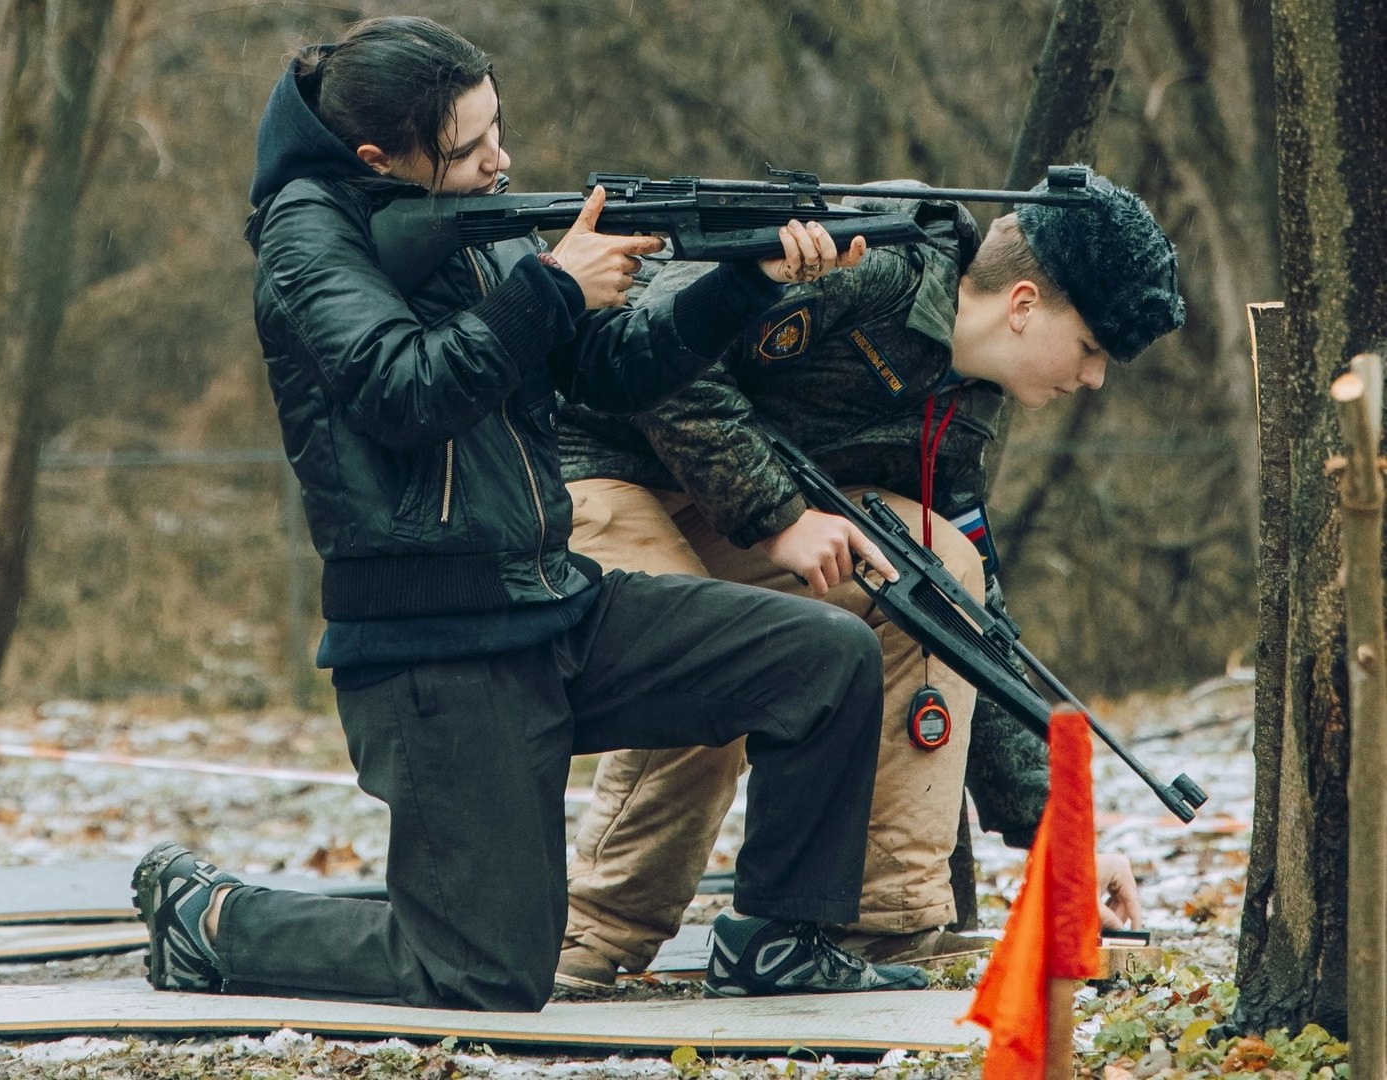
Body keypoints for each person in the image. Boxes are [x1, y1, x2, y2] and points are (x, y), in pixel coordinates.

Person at [129, 14, 938, 1012]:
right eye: (471, 148)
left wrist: (742, 281)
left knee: (820, 655)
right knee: (482, 969)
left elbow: (609, 369)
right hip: (437, 644)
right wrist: (553, 283)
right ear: (380, 157)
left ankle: (778, 935)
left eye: (495, 128)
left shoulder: (466, 219)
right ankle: (213, 919)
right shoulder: (306, 236)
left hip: (552, 603)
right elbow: (398, 387)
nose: (499, 160)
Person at [552, 172, 1184, 992]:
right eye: (1093, 348)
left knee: (939, 568)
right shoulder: (872, 263)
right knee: (708, 644)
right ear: (1023, 303)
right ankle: (591, 938)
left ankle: (874, 925)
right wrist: (779, 516)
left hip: (715, 509)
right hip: (589, 469)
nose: (1094, 380)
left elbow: (966, 624)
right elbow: (651, 344)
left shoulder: (961, 403)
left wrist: (1063, 829)